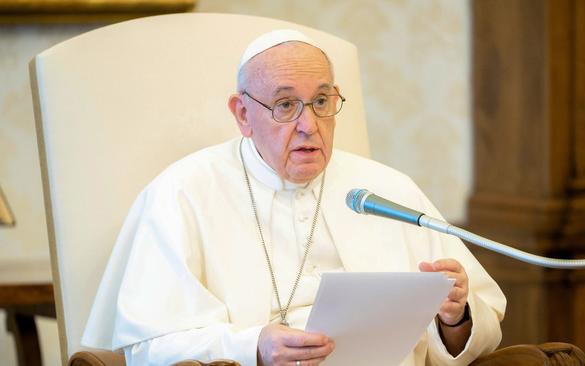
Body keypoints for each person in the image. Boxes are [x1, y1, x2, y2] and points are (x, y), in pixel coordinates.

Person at [82, 29, 506, 366]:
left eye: (322, 101)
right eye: (286, 105)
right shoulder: (182, 193)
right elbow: (146, 351)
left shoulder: (387, 190)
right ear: (243, 114)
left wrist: (457, 317)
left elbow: (476, 333)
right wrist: (255, 348)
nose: (310, 124)